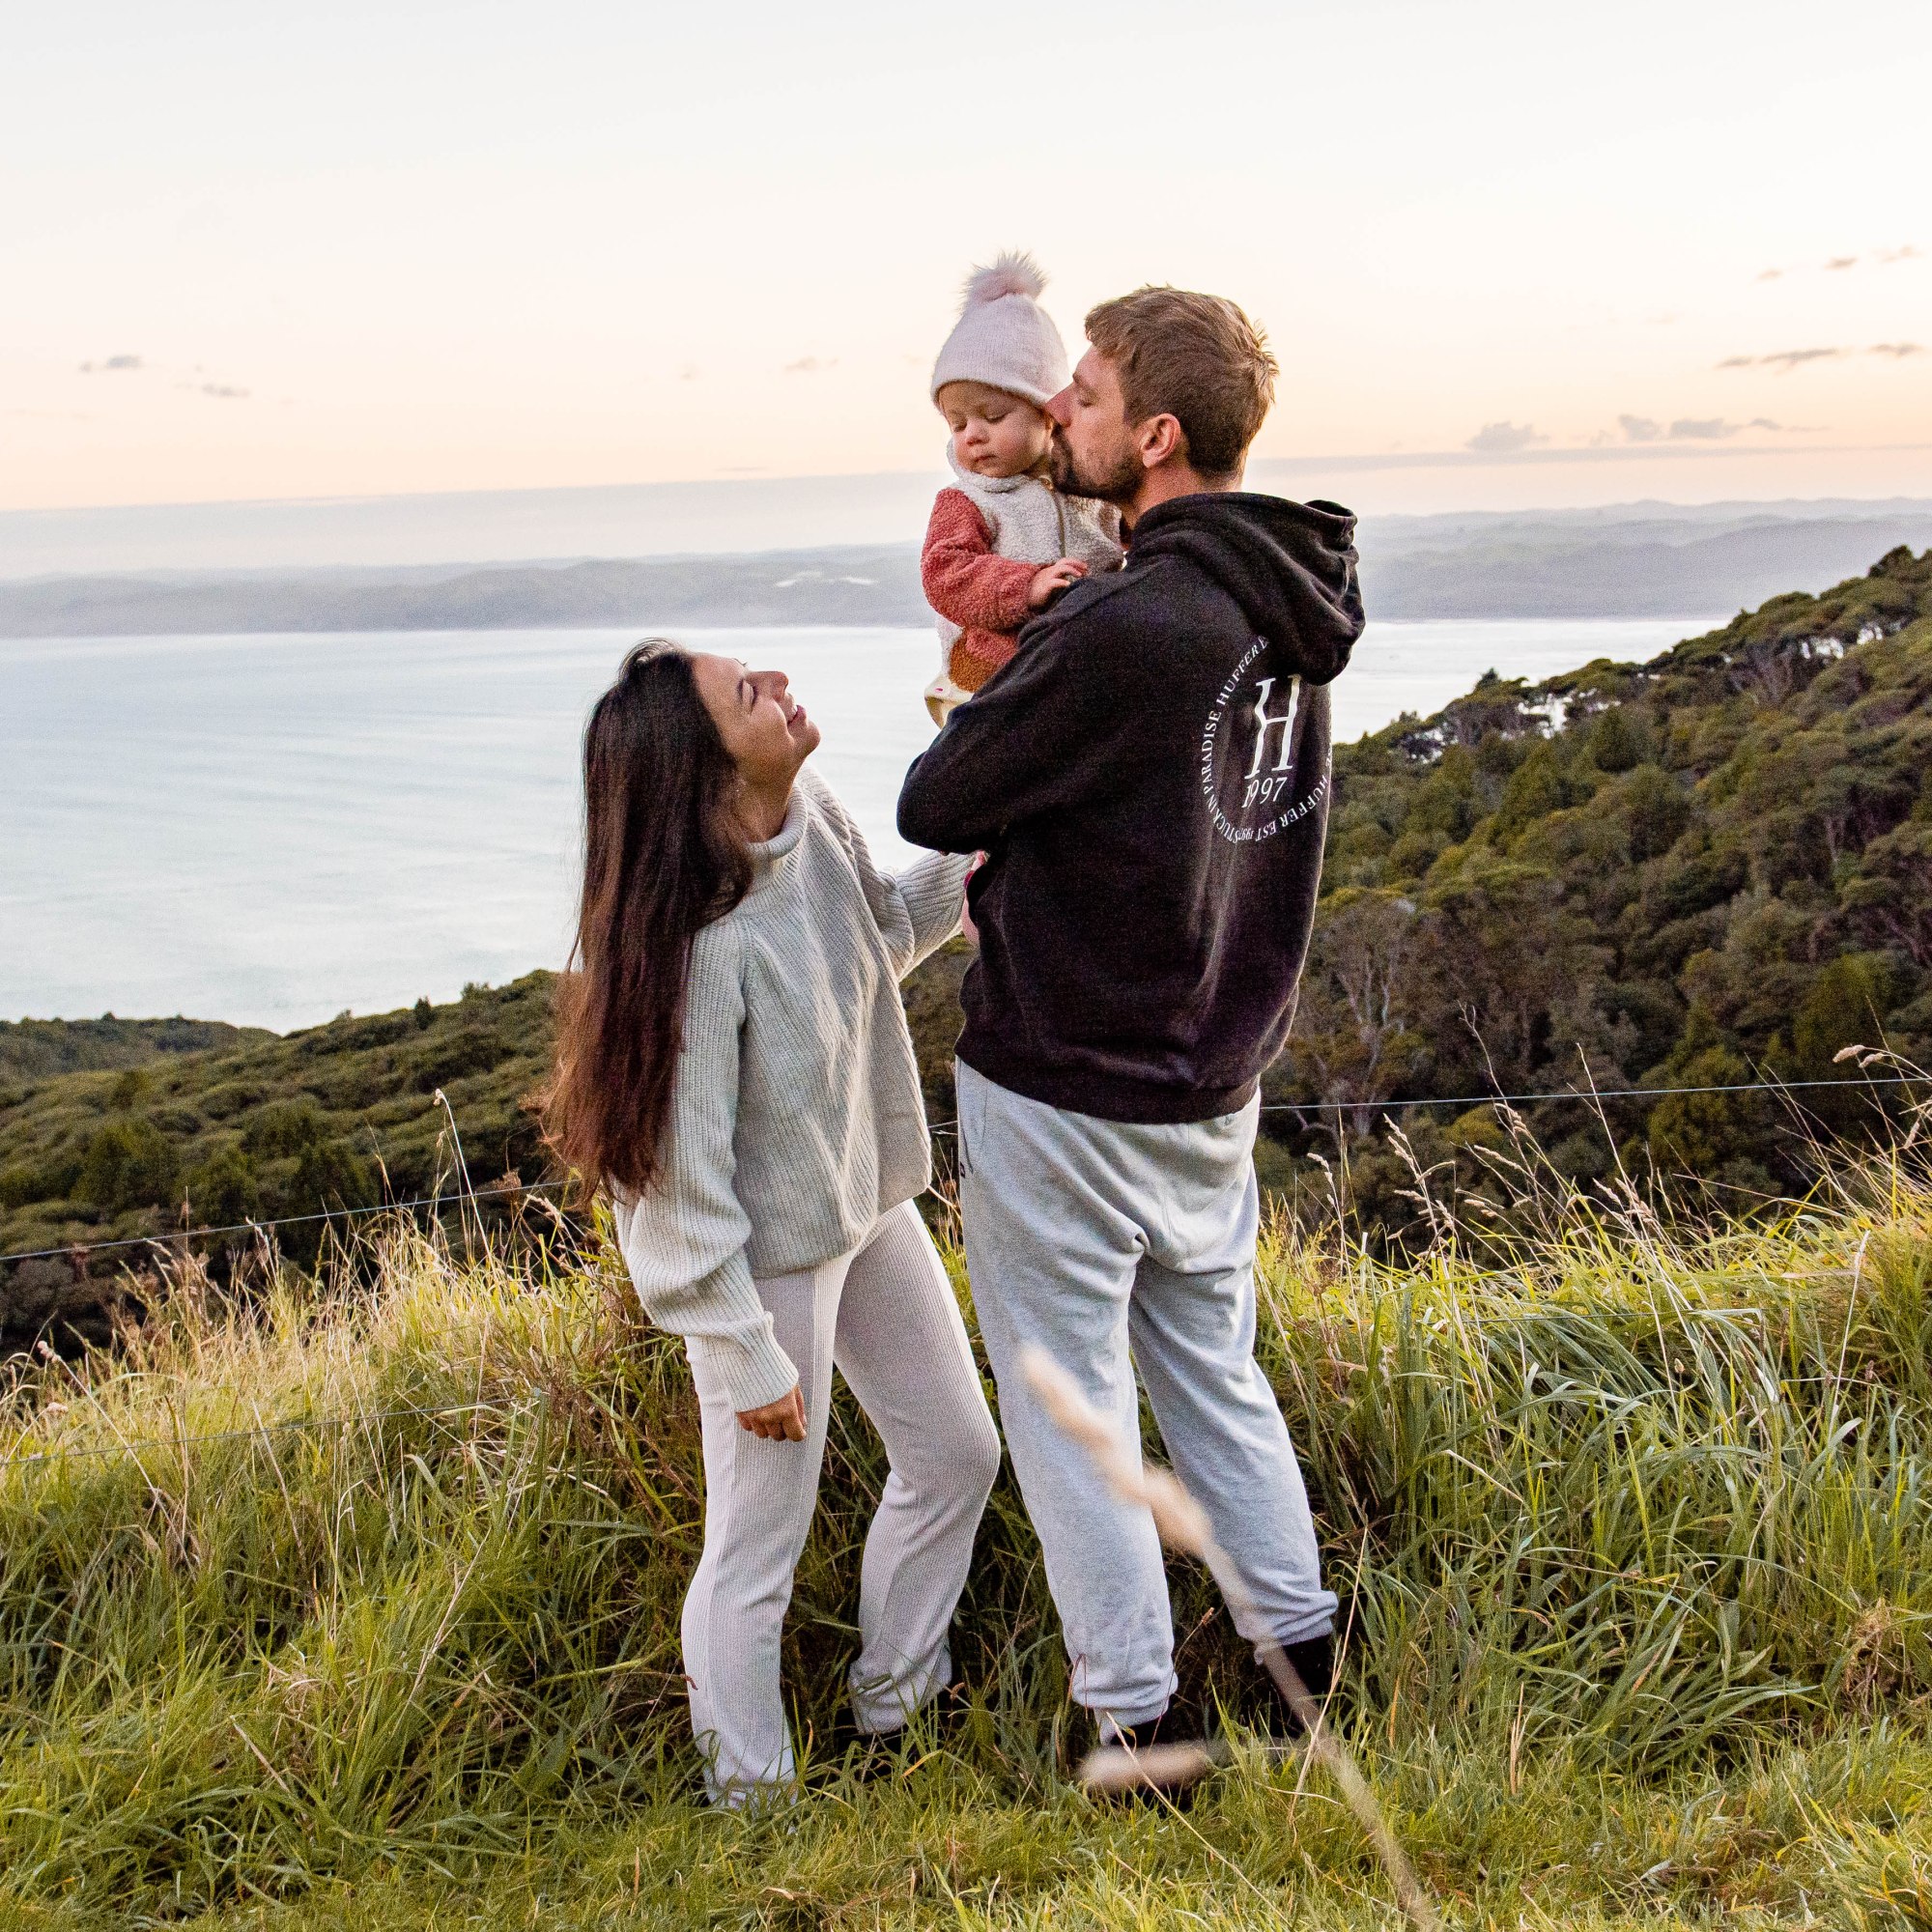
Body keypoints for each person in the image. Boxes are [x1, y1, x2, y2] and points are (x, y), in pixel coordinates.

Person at [897, 287, 1366, 1751]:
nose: (1060, 422)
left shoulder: (1127, 620)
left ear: (1156, 434)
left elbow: (940, 797)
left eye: (1086, 399)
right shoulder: (1286, 605)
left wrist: (1001, 668)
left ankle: (1139, 1725)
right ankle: (1301, 1668)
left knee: (1069, 1404)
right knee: (1212, 1375)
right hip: (1213, 1069)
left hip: (1068, 1074)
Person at [542, 640, 1000, 1805]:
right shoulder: (696, 947)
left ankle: (896, 1706)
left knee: (956, 1451)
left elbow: (880, 937)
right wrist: (742, 1347)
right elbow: (671, 1187)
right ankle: (750, 1798)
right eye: (747, 692)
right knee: (756, 1551)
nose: (779, 682)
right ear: (701, 769)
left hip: (866, 1203)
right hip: (762, 1267)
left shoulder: (816, 814)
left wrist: (978, 867)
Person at [920, 252, 1122, 724]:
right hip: (992, 674)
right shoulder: (965, 500)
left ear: (1045, 414)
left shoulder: (1088, 491)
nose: (973, 434)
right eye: (958, 423)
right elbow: (945, 574)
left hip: (1080, 665)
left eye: (992, 417)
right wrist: (1026, 586)